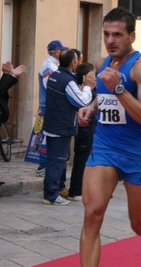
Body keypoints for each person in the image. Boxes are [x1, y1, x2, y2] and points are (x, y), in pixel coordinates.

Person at [78, 7, 141, 266]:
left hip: (136, 153)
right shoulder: (102, 64)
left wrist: (119, 89)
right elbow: (105, 95)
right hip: (105, 147)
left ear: (132, 36)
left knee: (140, 225)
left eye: (117, 35)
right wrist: (92, 106)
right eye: (106, 34)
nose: (110, 40)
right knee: (92, 214)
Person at [42, 50, 94, 205]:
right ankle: (51, 195)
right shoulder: (67, 81)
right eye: (78, 60)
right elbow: (81, 101)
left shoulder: (54, 75)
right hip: (61, 127)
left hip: (52, 124)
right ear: (73, 63)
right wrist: (87, 87)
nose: (79, 62)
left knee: (53, 160)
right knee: (57, 161)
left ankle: (50, 192)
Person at [37, 40, 69, 178]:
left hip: (49, 106)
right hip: (49, 107)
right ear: (57, 51)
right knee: (48, 138)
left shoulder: (53, 65)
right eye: (62, 51)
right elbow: (51, 88)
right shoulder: (49, 67)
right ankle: (43, 166)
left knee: (48, 137)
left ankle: (44, 166)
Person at [68, 63, 97, 201]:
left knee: (80, 159)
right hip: (85, 128)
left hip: (85, 128)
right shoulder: (84, 91)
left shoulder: (87, 89)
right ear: (86, 77)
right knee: (82, 160)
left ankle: (74, 190)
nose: (95, 77)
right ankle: (78, 191)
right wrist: (90, 88)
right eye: (92, 74)